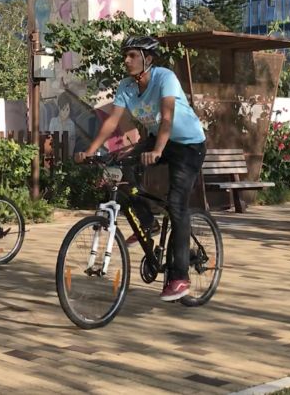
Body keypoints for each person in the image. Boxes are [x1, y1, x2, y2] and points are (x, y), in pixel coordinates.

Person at [74, 36, 207, 301]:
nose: (127, 60)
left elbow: (167, 117)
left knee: (177, 205)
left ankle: (180, 277)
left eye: (133, 55)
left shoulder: (164, 78)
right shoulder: (126, 86)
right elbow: (112, 121)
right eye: (125, 55)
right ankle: (148, 222)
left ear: (148, 58)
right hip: (159, 140)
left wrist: (157, 151)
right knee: (118, 168)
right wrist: (90, 152)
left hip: (189, 145)